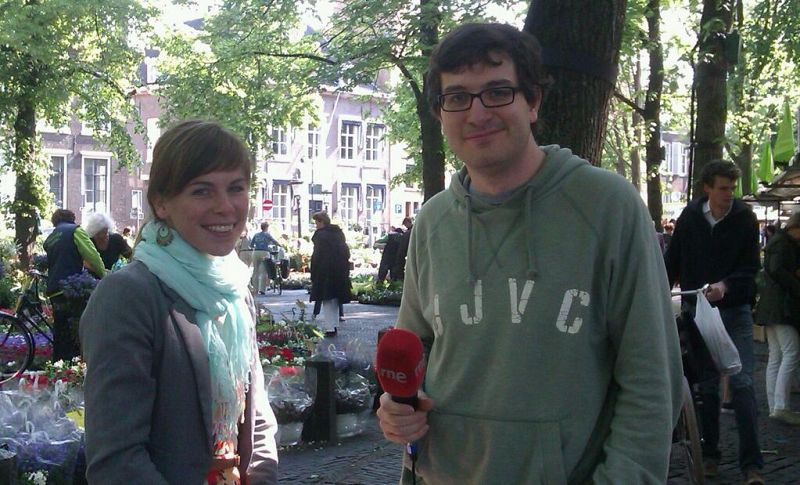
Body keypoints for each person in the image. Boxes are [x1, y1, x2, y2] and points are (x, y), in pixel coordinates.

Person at [376, 23, 682, 484]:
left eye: (497, 92)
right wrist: (396, 409)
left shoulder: (607, 207)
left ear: (533, 101)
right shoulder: (432, 221)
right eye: (457, 97)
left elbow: (652, 380)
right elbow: (413, 353)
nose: (477, 113)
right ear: (440, 113)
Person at [79, 120, 278, 483]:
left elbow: (258, 422)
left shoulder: (234, 290)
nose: (225, 206)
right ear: (161, 203)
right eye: (202, 191)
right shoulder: (129, 296)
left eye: (236, 188)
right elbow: (117, 460)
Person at [665, 159, 764, 483]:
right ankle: (709, 456)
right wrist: (660, 291)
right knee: (707, 387)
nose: (729, 194)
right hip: (698, 311)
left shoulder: (744, 218)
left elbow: (751, 268)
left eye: (732, 188)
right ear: (707, 188)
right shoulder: (690, 218)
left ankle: (752, 465)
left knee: (743, 384)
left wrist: (726, 285)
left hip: (735, 311)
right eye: (723, 188)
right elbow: (672, 261)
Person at [43, 209, 106, 362]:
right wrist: (105, 276)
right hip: (73, 289)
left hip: (54, 289)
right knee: (76, 331)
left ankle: (58, 366)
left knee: (60, 331)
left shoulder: (50, 238)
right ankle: (74, 366)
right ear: (71, 218)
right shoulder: (75, 231)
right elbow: (92, 255)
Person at [755, 212, 800, 425]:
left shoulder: (777, 242)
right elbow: (778, 271)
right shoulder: (784, 244)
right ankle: (781, 406)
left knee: (776, 355)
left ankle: (776, 405)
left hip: (770, 306)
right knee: (790, 353)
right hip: (781, 307)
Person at [309, 211, 351, 336]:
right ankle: (334, 325)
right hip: (339, 269)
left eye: (317, 222)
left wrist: (314, 271)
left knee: (326, 299)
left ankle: (329, 328)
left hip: (324, 270)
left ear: (322, 222)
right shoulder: (338, 233)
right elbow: (345, 251)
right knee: (335, 299)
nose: (316, 225)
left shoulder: (320, 235)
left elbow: (317, 255)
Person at [250, 222, 281, 295]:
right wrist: (280, 245)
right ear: (266, 227)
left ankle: (255, 289)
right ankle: (262, 290)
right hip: (264, 252)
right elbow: (274, 242)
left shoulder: (256, 235)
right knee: (263, 271)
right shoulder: (267, 234)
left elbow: (251, 245)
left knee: (255, 271)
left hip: (256, 252)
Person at [393, 216, 413, 280]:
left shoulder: (410, 231)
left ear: (408, 222)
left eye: (405, 224)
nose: (405, 226)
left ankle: (400, 278)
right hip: (406, 250)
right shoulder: (409, 231)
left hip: (406, 250)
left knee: (400, 263)